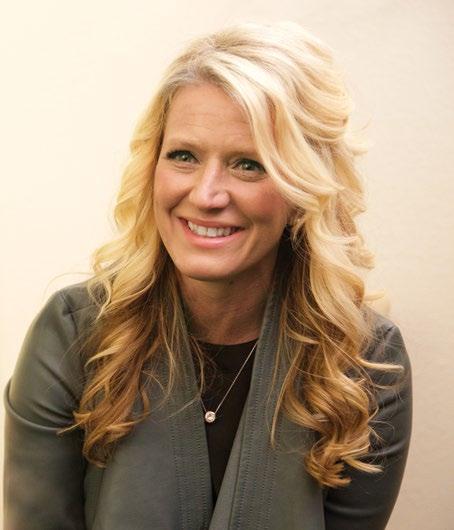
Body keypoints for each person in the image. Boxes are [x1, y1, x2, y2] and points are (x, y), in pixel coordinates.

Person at [3, 21, 412, 530]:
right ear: (152, 167)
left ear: (303, 188)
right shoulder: (74, 334)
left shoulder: (364, 362)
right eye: (184, 156)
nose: (206, 194)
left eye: (248, 164)